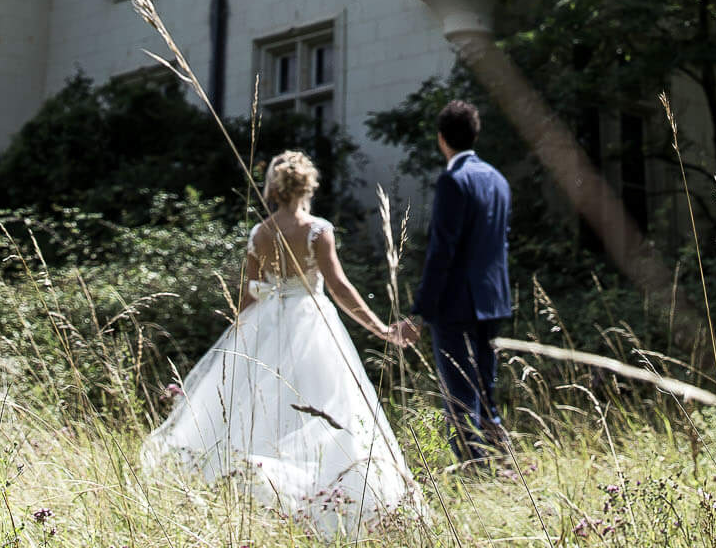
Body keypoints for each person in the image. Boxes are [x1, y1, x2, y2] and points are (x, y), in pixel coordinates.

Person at [142, 150, 417, 538]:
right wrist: (382, 330)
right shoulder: (317, 231)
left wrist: (236, 341)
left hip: (265, 325)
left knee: (258, 409)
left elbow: (249, 296)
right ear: (309, 185)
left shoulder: (260, 233)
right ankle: (329, 499)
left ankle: (259, 496)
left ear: (274, 187)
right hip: (312, 323)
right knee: (325, 405)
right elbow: (339, 288)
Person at [394, 99, 512, 466]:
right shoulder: (499, 180)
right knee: (486, 392)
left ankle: (475, 472)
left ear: (442, 139)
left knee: (460, 396)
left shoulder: (453, 181)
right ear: (475, 134)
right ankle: (501, 465)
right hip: (494, 301)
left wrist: (419, 313)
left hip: (456, 305)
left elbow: (441, 253)